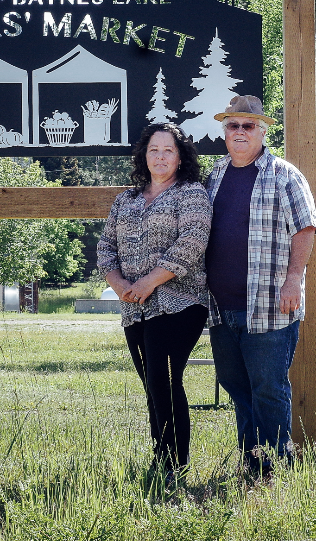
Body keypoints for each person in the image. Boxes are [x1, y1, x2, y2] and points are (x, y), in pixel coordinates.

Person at [204, 95, 316, 478]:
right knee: (236, 386)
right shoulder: (215, 175)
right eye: (233, 125)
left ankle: (275, 465)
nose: (239, 132)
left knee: (268, 388)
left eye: (248, 126)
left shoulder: (284, 174)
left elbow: (306, 229)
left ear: (262, 131)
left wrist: (293, 280)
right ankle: (253, 462)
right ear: (224, 133)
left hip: (270, 304)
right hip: (221, 307)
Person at [97, 123, 211, 476]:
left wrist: (148, 282)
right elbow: (106, 248)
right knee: (151, 382)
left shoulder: (191, 193)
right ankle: (161, 456)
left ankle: (175, 463)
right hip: (134, 307)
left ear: (180, 157)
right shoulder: (125, 199)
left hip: (180, 302)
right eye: (153, 150)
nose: (160, 157)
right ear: (143, 156)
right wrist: (119, 285)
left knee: (165, 378)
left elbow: (192, 243)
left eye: (168, 150)